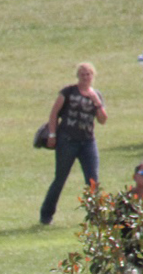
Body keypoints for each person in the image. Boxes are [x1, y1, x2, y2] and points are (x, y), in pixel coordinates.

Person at [39, 62, 107, 226]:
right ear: (78, 76)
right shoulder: (68, 92)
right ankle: (46, 215)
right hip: (67, 141)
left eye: (88, 74)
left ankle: (95, 216)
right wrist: (53, 134)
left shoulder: (96, 95)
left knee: (92, 180)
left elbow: (103, 120)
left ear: (93, 76)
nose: (85, 77)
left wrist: (96, 102)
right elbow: (54, 113)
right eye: (82, 74)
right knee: (60, 178)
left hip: (88, 142)